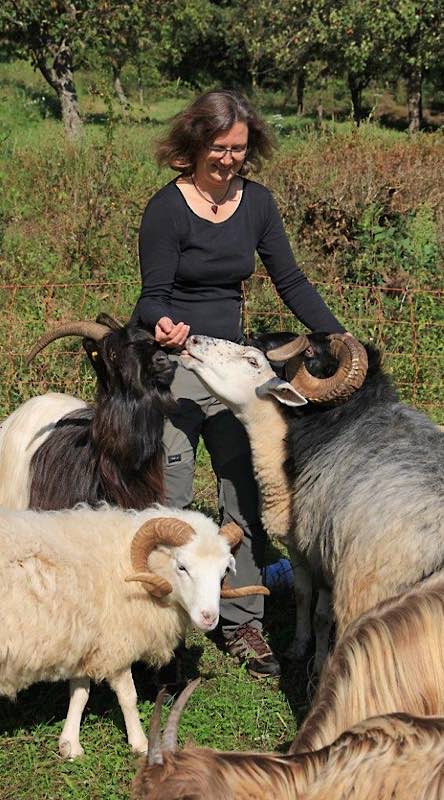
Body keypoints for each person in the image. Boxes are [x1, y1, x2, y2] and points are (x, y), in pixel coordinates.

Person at [131, 89, 345, 678]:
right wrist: (165, 326)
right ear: (197, 143)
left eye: (239, 149)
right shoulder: (166, 209)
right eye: (220, 148)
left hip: (231, 362)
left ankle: (243, 618)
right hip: (173, 358)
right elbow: (152, 299)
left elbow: (291, 279)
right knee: (171, 478)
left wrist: (337, 335)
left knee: (243, 480)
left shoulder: (257, 204)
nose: (229, 160)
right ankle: (157, 622)